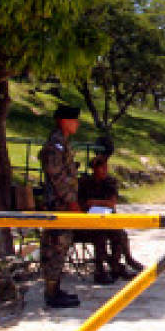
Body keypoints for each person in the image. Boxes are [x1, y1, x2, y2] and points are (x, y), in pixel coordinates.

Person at [39, 104, 82, 308]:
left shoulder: (63, 144)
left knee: (61, 246)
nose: (77, 124)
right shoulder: (55, 145)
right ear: (64, 121)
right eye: (74, 120)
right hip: (58, 205)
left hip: (63, 204)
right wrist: (71, 201)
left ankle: (55, 289)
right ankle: (51, 293)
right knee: (54, 247)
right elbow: (57, 177)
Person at [78, 154, 143, 284]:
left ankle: (116, 265)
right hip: (89, 221)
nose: (104, 170)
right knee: (99, 236)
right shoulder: (85, 183)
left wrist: (94, 202)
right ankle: (100, 270)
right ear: (94, 169)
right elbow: (81, 203)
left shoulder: (110, 182)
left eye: (105, 167)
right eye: (101, 168)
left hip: (107, 217)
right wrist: (91, 204)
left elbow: (111, 203)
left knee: (119, 234)